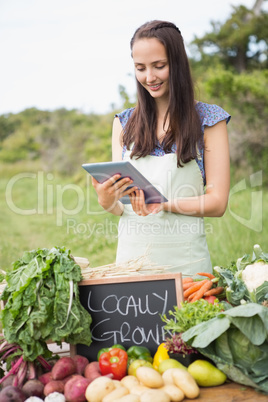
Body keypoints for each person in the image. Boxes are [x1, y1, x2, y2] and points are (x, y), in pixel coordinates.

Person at [92, 20, 231, 275]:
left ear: (177, 64)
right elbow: (123, 208)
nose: (149, 77)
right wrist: (106, 200)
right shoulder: (123, 123)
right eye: (140, 68)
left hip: (188, 270)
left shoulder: (210, 121)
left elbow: (217, 202)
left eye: (159, 66)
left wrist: (163, 204)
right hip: (131, 266)